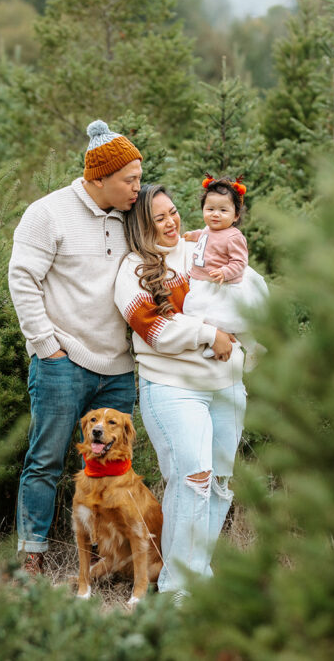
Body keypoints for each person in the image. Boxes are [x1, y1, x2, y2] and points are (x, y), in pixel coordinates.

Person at [8, 120, 143, 576]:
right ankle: (33, 556)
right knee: (46, 459)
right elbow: (22, 277)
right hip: (63, 362)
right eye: (130, 179)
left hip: (118, 368)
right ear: (99, 177)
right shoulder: (47, 213)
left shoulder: (131, 217)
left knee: (116, 466)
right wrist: (46, 346)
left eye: (140, 179)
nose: (137, 189)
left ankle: (111, 561)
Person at [113, 183, 247, 599]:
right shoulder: (132, 270)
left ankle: (192, 578)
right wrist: (210, 334)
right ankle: (178, 594)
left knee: (220, 484)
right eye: (159, 217)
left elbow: (244, 288)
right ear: (140, 225)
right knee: (193, 479)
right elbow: (154, 329)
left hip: (226, 386)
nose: (172, 222)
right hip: (173, 387)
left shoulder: (200, 249)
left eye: (174, 212)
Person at [182, 174, 268, 359]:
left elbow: (239, 262)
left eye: (223, 210)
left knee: (218, 316)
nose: (215, 214)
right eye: (210, 208)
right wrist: (192, 235)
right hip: (203, 280)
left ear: (236, 215)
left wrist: (224, 272)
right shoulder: (208, 229)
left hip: (222, 285)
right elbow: (205, 236)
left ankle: (225, 344)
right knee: (202, 312)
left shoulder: (233, 237)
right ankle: (252, 348)